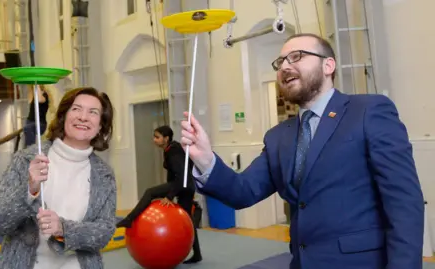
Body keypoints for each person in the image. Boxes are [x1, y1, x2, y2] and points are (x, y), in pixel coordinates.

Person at [180, 33, 424, 269]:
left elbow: (403, 201)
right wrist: (205, 159)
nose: (284, 66)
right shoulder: (278, 137)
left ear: (328, 65)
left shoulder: (368, 111)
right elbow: (243, 191)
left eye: (296, 56)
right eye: (280, 62)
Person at [0, 87, 117, 269]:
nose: (83, 117)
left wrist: (62, 228)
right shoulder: (26, 159)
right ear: (64, 116)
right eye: (76, 109)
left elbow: (104, 232)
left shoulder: (104, 175)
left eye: (93, 112)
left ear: (101, 125)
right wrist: (29, 189)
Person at [116, 125, 202, 264]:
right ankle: (197, 254)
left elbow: (181, 175)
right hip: (185, 186)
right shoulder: (170, 148)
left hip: (183, 184)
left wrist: (169, 195)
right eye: (154, 137)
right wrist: (170, 192)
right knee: (188, 222)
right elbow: (173, 174)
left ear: (166, 138)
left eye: (157, 137)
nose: (154, 140)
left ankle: (130, 219)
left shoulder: (173, 151)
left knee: (150, 192)